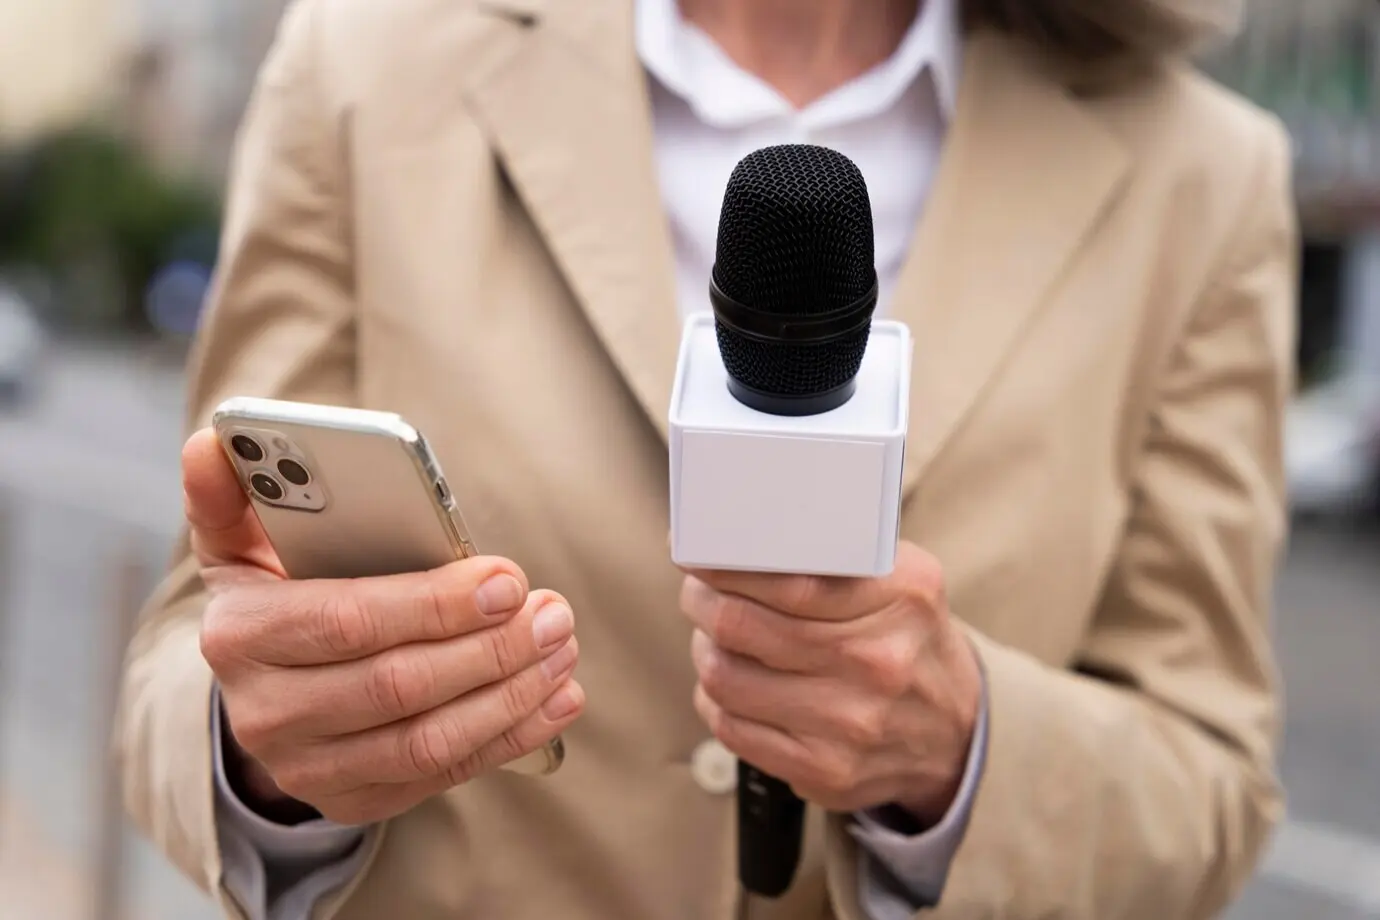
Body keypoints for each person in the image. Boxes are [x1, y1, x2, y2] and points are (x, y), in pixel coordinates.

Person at [116, 0, 1298, 917]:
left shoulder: (1206, 175)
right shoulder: (364, 63)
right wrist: (268, 744)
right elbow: (186, 653)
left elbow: (1212, 786)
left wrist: (961, 748)